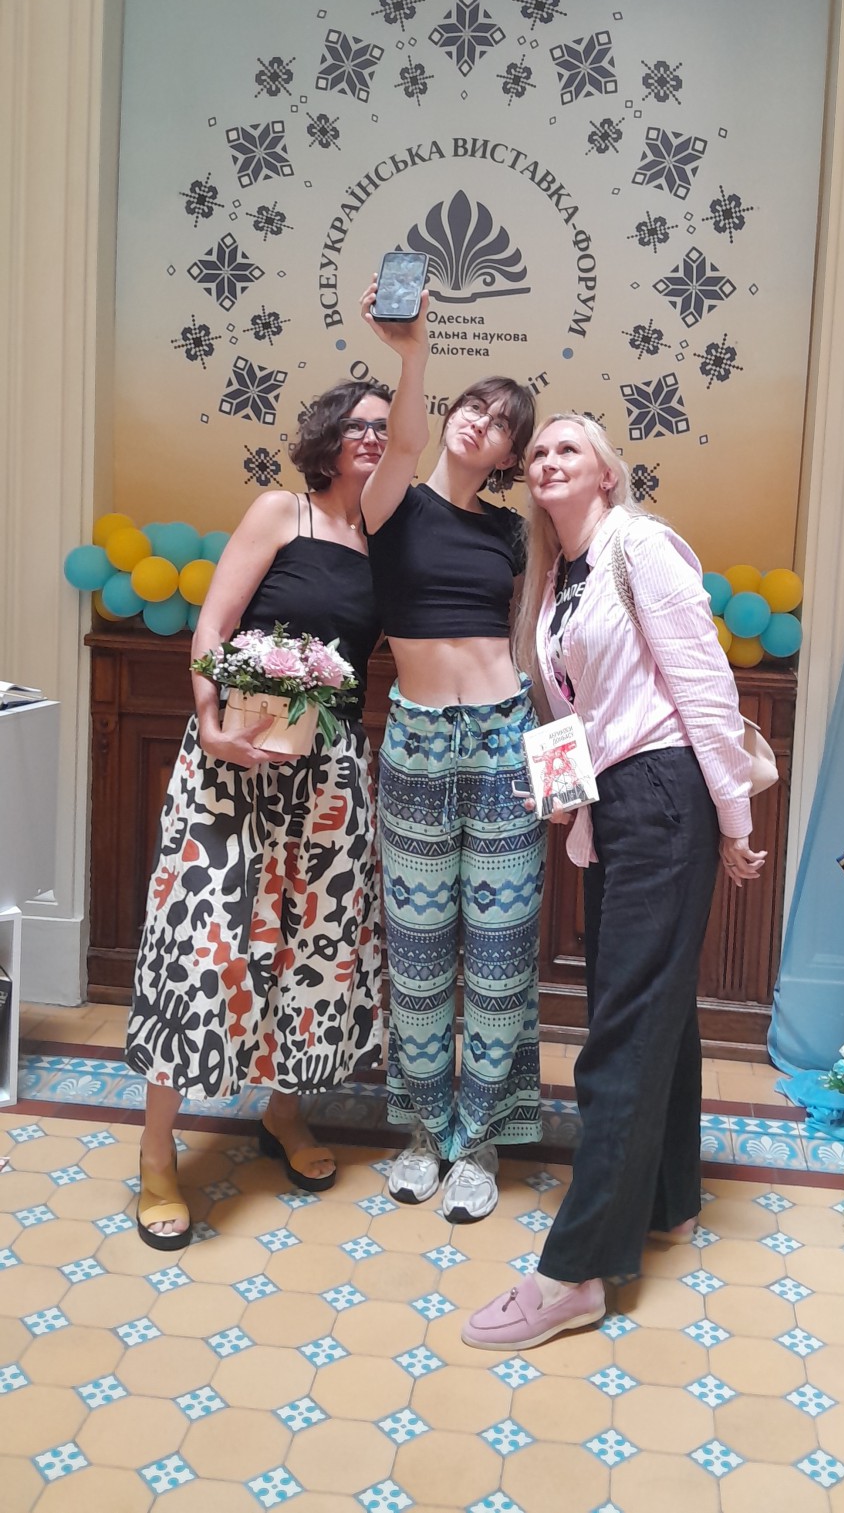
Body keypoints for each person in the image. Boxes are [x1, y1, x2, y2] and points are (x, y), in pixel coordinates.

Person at [462, 413, 765, 1345]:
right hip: (621, 800)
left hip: (667, 792)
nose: (549, 459)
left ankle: (574, 1273)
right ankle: (669, 1199)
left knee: (621, 1029)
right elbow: (575, 707)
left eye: (570, 448)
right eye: (539, 451)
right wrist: (562, 798)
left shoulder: (641, 548)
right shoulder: (558, 578)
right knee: (647, 1005)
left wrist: (735, 820)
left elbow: (704, 685)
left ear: (606, 474)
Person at [125, 379, 391, 1249]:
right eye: (356, 423)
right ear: (327, 435)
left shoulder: (385, 541)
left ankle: (282, 1109)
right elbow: (215, 623)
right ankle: (156, 1151)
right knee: (204, 948)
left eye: (384, 426)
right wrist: (210, 720)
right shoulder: (282, 511)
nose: (371, 436)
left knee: (312, 948)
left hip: (330, 774)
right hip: (232, 764)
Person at [359, 276, 545, 1223]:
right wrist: (414, 353)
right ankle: (426, 1132)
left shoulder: (512, 532)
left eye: (502, 421)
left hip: (506, 741)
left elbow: (538, 640)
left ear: (511, 455)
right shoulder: (394, 502)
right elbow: (399, 440)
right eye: (475, 405)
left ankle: (479, 1142)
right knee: (421, 955)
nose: (482, 422)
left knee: (502, 960)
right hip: (419, 746)